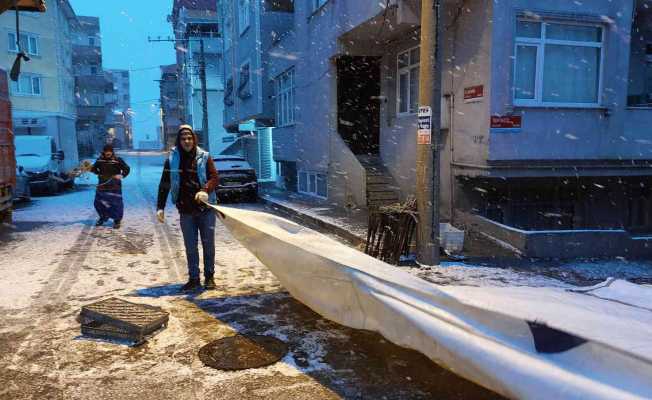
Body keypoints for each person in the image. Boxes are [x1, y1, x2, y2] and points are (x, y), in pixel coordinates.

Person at [157, 125, 219, 291]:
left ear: (194, 139)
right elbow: (165, 184)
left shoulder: (204, 157)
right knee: (190, 247)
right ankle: (194, 278)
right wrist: (160, 207)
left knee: (208, 245)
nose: (187, 141)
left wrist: (205, 190)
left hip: (206, 209)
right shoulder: (171, 160)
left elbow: (214, 177)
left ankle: (210, 277)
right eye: (183, 138)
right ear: (179, 140)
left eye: (189, 138)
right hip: (185, 211)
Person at [91, 144, 130, 229]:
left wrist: (122, 175)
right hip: (102, 185)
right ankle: (103, 217)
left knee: (116, 204)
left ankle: (117, 220)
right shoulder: (99, 160)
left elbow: (127, 168)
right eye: (106, 151)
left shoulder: (118, 160)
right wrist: (92, 170)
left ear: (112, 152)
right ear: (104, 152)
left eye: (110, 151)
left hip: (114, 185)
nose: (108, 153)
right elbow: (94, 169)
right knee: (99, 202)